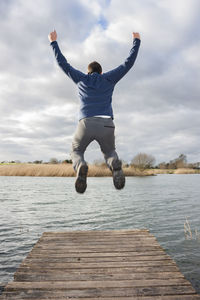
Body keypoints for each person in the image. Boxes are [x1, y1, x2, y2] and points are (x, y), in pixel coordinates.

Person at [48, 30, 141, 193]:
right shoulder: (109, 78)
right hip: (107, 124)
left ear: (88, 71)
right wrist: (136, 41)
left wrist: (53, 42)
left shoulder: (81, 78)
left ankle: (81, 166)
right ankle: (114, 164)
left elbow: (63, 63)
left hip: (86, 123)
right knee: (110, 152)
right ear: (101, 72)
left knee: (76, 150)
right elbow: (128, 63)